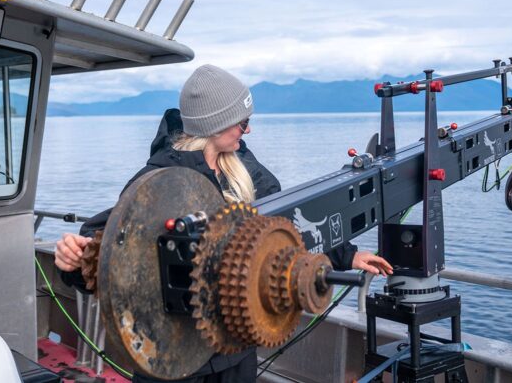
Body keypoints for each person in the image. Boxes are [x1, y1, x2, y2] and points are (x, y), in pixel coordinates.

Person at [55, 64, 392, 383]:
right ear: (215, 124)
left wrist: (346, 256)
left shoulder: (246, 171)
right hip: (176, 356)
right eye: (243, 122)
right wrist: (73, 260)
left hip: (235, 347)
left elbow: (286, 227)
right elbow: (105, 249)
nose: (249, 130)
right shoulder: (159, 182)